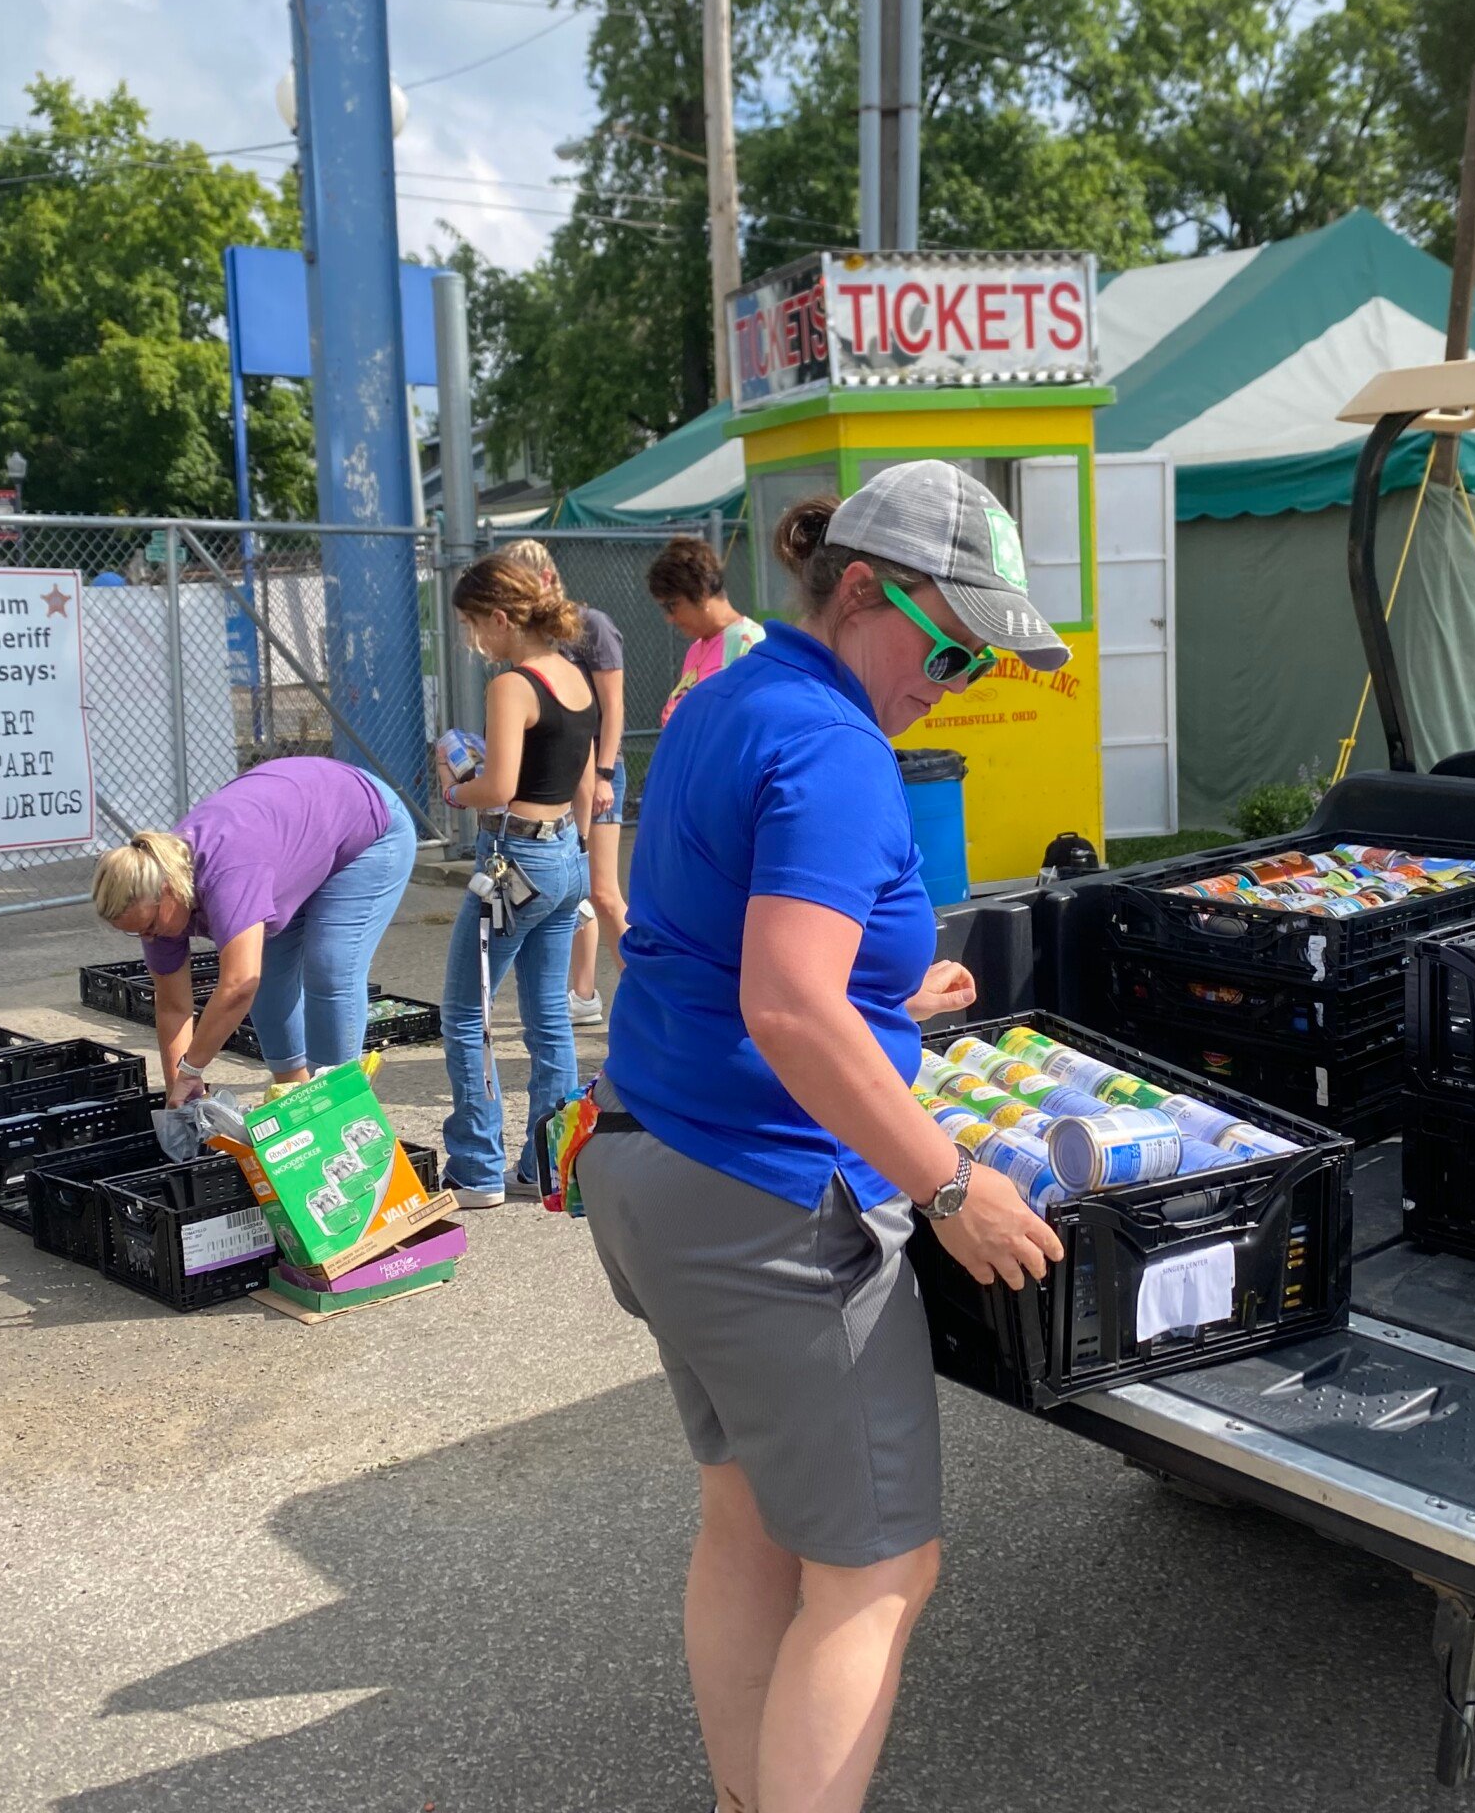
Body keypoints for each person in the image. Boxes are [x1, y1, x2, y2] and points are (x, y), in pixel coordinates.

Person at [577, 462, 1067, 1813]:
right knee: (878, 1572)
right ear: (863, 590)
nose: (955, 679)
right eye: (950, 645)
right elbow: (789, 1004)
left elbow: (717, 938)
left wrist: (884, 996)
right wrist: (951, 1184)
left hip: (653, 1164)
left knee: (749, 1524)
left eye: (981, 662)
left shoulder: (730, 697)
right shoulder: (837, 744)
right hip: (770, 1200)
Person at [90, 758, 416, 1107]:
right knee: (271, 978)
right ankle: (294, 1095)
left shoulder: (227, 872)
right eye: (137, 933)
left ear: (168, 890)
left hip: (366, 825)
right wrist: (179, 1096)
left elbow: (238, 985)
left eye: (150, 927)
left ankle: (334, 1106)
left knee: (329, 965)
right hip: (288, 834)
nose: (151, 939)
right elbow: (172, 1007)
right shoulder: (158, 901)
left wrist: (192, 1067)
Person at [436, 552, 598, 1205]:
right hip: (564, 862)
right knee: (547, 1018)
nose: (475, 642)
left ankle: (476, 1168)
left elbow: (498, 787)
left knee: (465, 1012)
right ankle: (546, 1165)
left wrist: (453, 787)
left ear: (501, 617)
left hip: (513, 866)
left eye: (476, 626)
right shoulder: (576, 676)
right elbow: (581, 778)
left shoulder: (512, 685)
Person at [498, 538, 630, 1031]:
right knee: (571, 889)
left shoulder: (591, 626)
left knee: (603, 892)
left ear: (548, 580)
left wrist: (604, 773)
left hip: (594, 773)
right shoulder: (530, 637)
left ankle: (647, 993)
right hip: (556, 775)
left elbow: (612, 707)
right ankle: (582, 993)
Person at [648, 532, 764, 726]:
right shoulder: (696, 649)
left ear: (701, 592)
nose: (669, 618)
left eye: (672, 605)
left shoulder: (749, 642)